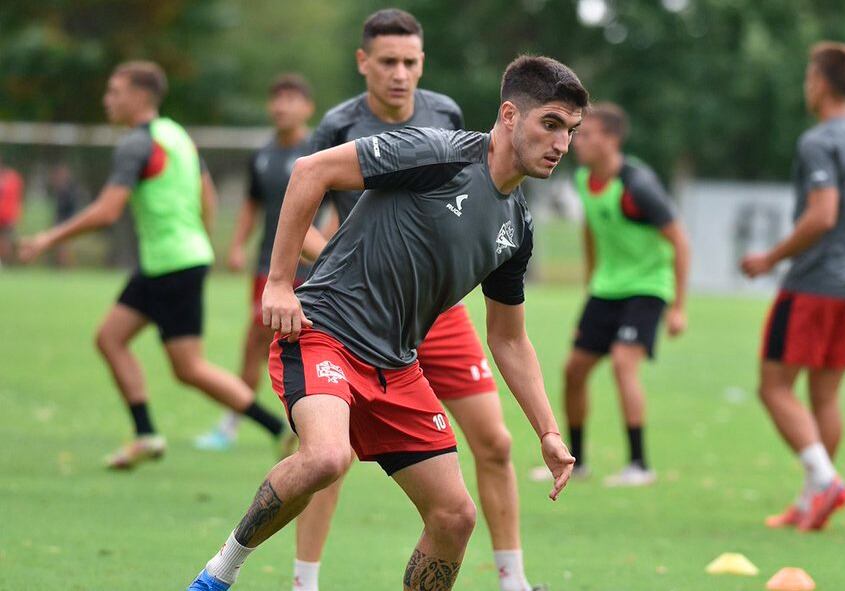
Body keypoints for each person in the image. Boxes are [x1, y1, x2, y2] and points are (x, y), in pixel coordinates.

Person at [186, 54, 587, 591]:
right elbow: (312, 171)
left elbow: (509, 338)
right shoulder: (438, 151)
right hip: (323, 334)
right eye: (551, 124)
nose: (561, 144)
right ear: (511, 116)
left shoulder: (517, 227)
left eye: (571, 131)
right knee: (328, 457)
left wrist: (548, 431)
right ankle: (219, 573)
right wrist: (280, 282)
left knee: (455, 516)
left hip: (397, 367)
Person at [289, 10, 545, 591]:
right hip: (356, 310)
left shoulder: (447, 117)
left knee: (497, 443)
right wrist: (342, 262)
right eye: (388, 63)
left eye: (410, 62)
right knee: (327, 455)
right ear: (364, 64)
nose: (400, 74)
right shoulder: (337, 124)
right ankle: (305, 582)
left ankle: (514, 581)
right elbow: (304, 198)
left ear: (422, 63)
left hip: (439, 312)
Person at [18, 61, 294, 469]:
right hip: (168, 262)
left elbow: (108, 211)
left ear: (140, 97)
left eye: (115, 91)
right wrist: (200, 235)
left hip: (172, 264)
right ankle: (146, 434)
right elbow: (208, 193)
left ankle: (278, 428)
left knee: (190, 368)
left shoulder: (137, 143)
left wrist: (47, 238)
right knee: (111, 338)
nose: (107, 99)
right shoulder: (177, 135)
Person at [741, 42, 845, 531]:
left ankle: (824, 480)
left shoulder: (819, 141)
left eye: (809, 77)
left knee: (774, 387)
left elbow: (822, 215)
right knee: (825, 396)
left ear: (821, 82)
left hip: (813, 284)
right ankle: (813, 504)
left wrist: (769, 258)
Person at [531, 103, 689, 487]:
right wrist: (591, 278)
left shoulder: (639, 186)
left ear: (612, 140)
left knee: (623, 363)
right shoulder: (585, 179)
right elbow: (591, 229)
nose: (576, 141)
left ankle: (639, 465)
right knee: (574, 371)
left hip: (647, 288)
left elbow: (680, 244)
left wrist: (678, 308)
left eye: (586, 134)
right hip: (607, 289)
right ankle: (578, 461)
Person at [194, 73, 317, 452]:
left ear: (307, 108)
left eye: (291, 98)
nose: (282, 106)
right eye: (277, 98)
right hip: (269, 268)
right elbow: (251, 205)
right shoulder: (262, 155)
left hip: (315, 270)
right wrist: (236, 246)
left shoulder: (320, 151)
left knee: (315, 346)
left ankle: (313, 425)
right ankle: (232, 423)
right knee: (256, 344)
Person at [48, 163, 88, 267]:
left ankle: (66, 266)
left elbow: (70, 207)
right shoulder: (61, 190)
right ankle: (63, 265)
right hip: (61, 220)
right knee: (61, 246)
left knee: (64, 246)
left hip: (67, 220)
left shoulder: (70, 190)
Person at [0, 156, 24, 265]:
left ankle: (6, 263)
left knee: (6, 241)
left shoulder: (13, 177)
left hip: (7, 216)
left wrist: (16, 214)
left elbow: (18, 197)